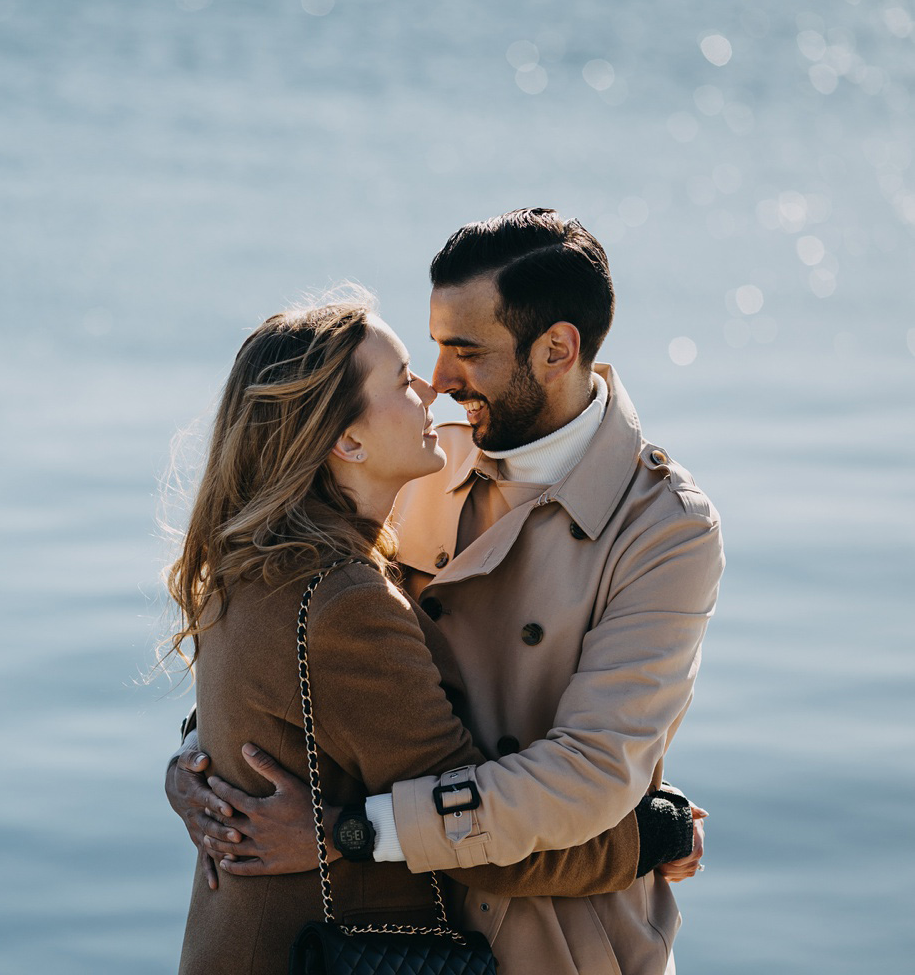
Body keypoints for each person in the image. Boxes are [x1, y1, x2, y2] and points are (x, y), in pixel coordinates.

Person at [168, 210, 723, 975]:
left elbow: (587, 774)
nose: (438, 381)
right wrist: (203, 760)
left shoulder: (663, 527)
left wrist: (343, 829)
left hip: (554, 939)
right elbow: (299, 646)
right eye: (428, 351)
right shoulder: (423, 458)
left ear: (557, 349)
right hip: (387, 933)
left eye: (465, 351)